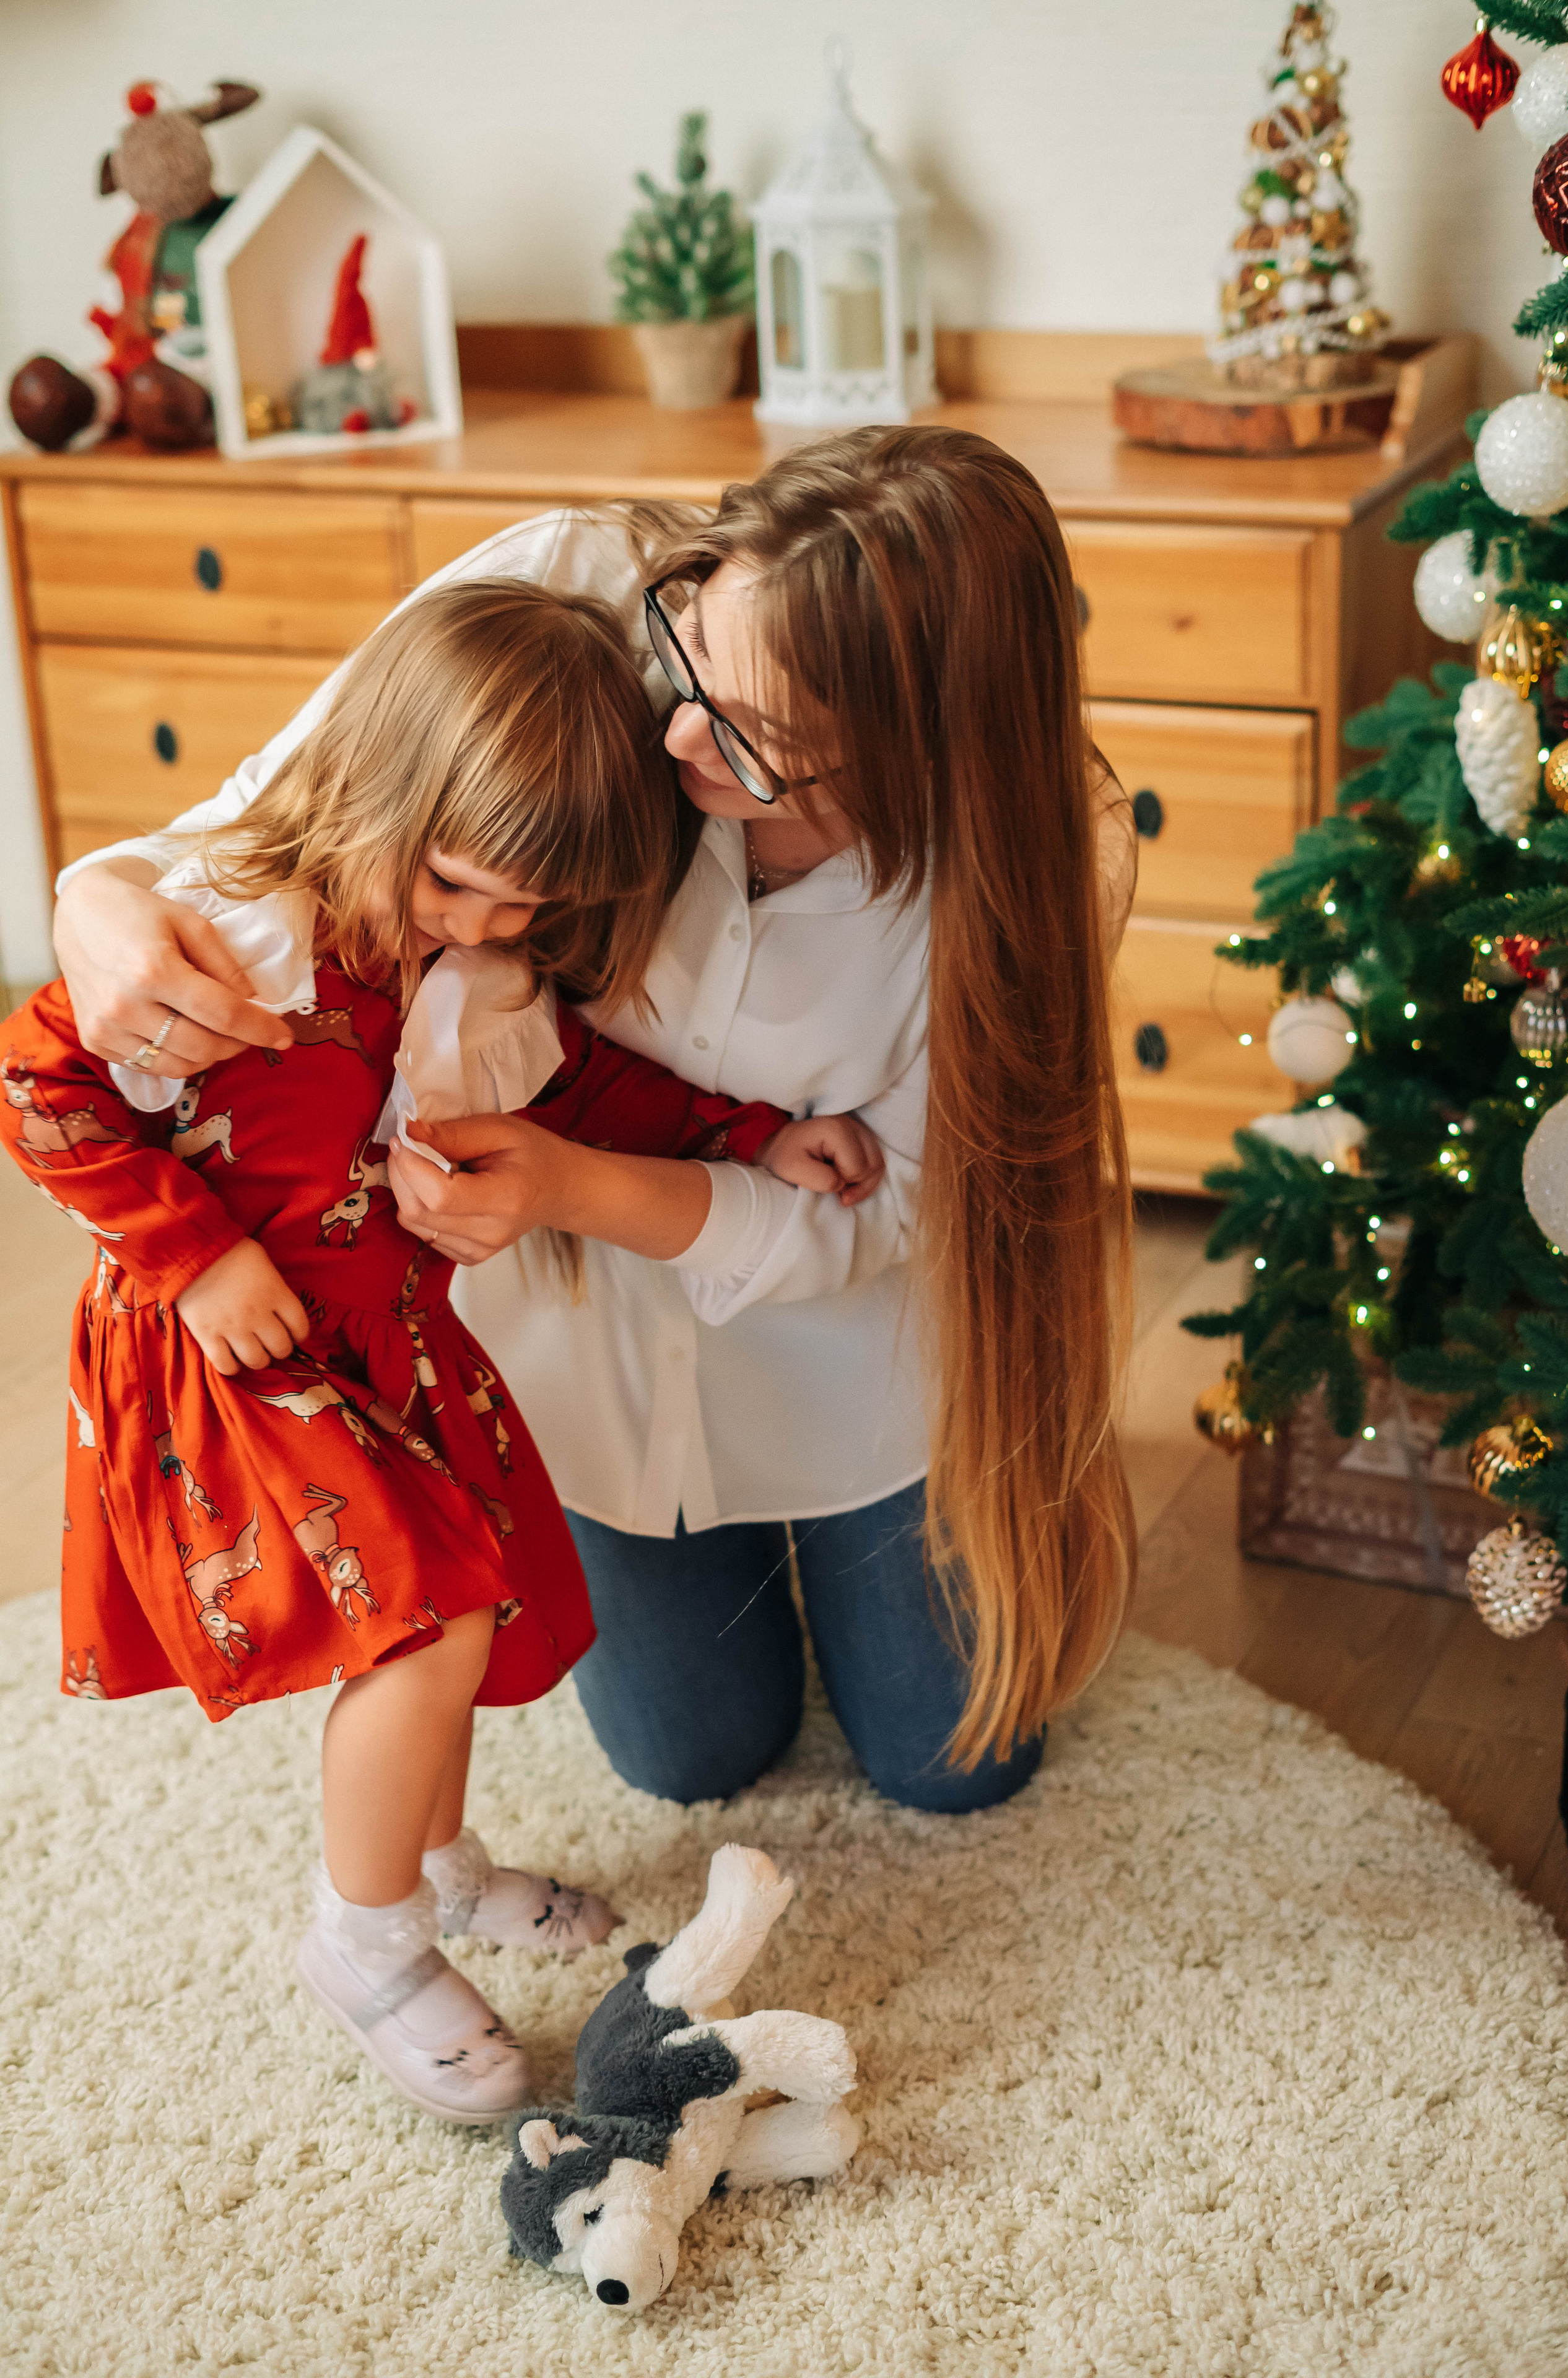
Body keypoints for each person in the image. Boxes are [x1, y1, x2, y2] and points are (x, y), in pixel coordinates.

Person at [51, 423, 1138, 1819]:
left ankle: (977, 1504)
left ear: (910, 761)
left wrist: (579, 1182)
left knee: (955, 1765)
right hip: (591, 1354)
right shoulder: (586, 605)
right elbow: (278, 820)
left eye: (758, 739)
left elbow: (899, 1203)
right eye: (692, 655)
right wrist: (92, 900)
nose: (677, 733)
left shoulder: (1024, 876)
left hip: (857, 1353)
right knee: (687, 1756)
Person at [3, 577, 880, 2124]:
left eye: (518, 916)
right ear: (389, 794)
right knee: (418, 1624)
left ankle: (433, 1863)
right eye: (460, 890)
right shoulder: (241, 934)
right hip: (233, 1348)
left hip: (386, 1337)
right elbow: (36, 1076)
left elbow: (581, 1091)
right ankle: (366, 1942)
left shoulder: (474, 969)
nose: (482, 932)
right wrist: (192, 1253)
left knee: (474, 1593)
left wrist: (759, 1136)